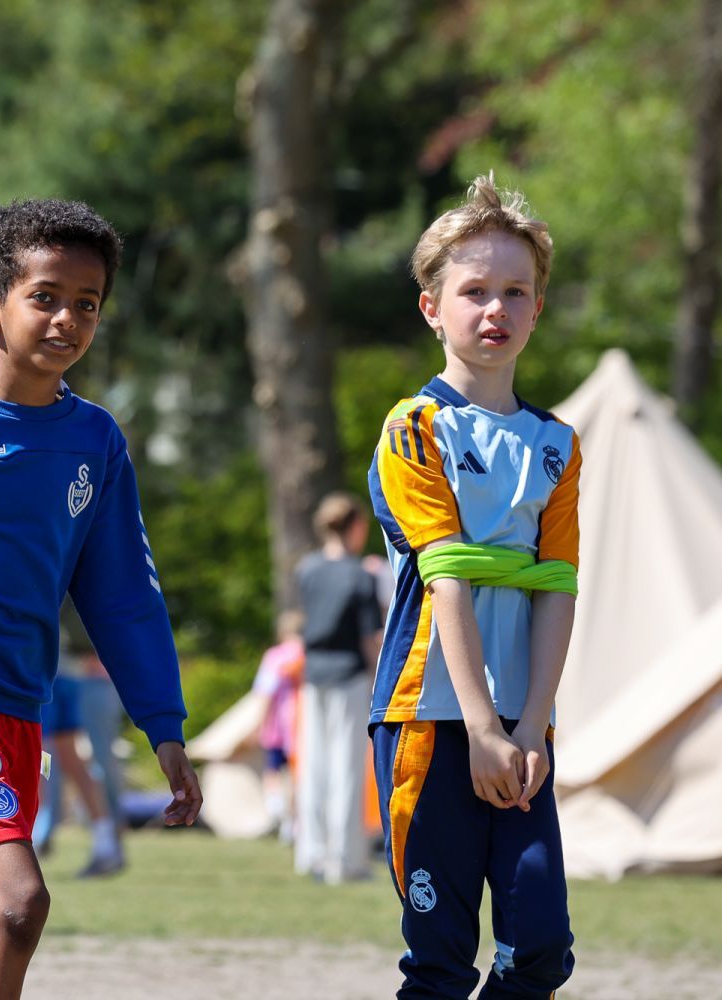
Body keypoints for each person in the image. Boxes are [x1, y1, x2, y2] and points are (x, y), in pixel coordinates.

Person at [0, 198, 202, 999]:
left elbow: (123, 593)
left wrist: (163, 725)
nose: (67, 319)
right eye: (45, 297)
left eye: (87, 304)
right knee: (20, 903)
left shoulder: (96, 439)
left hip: (20, 703)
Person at [367, 174, 580, 997]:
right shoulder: (414, 428)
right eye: (475, 290)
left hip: (523, 728)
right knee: (441, 965)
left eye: (515, 291)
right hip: (430, 717)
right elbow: (448, 580)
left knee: (541, 952)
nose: (496, 308)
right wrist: (483, 728)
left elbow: (557, 587)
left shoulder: (557, 444)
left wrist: (531, 726)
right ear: (432, 308)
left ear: (538, 309)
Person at [293, 493, 383, 884]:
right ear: (355, 527)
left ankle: (311, 852)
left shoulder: (307, 569)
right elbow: (370, 636)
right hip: (349, 675)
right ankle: (345, 860)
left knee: (313, 765)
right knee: (346, 767)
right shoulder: (360, 575)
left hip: (313, 675)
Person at [31, 602, 125, 878]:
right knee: (70, 761)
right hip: (72, 673)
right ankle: (105, 843)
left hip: (49, 673)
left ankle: (36, 836)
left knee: (42, 759)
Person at [252, 609, 304, 842]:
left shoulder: (275, 656)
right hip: (301, 724)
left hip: (277, 725)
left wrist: (259, 723)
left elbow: (265, 692)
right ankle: (293, 822)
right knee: (296, 776)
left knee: (273, 772)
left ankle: (278, 812)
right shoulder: (306, 655)